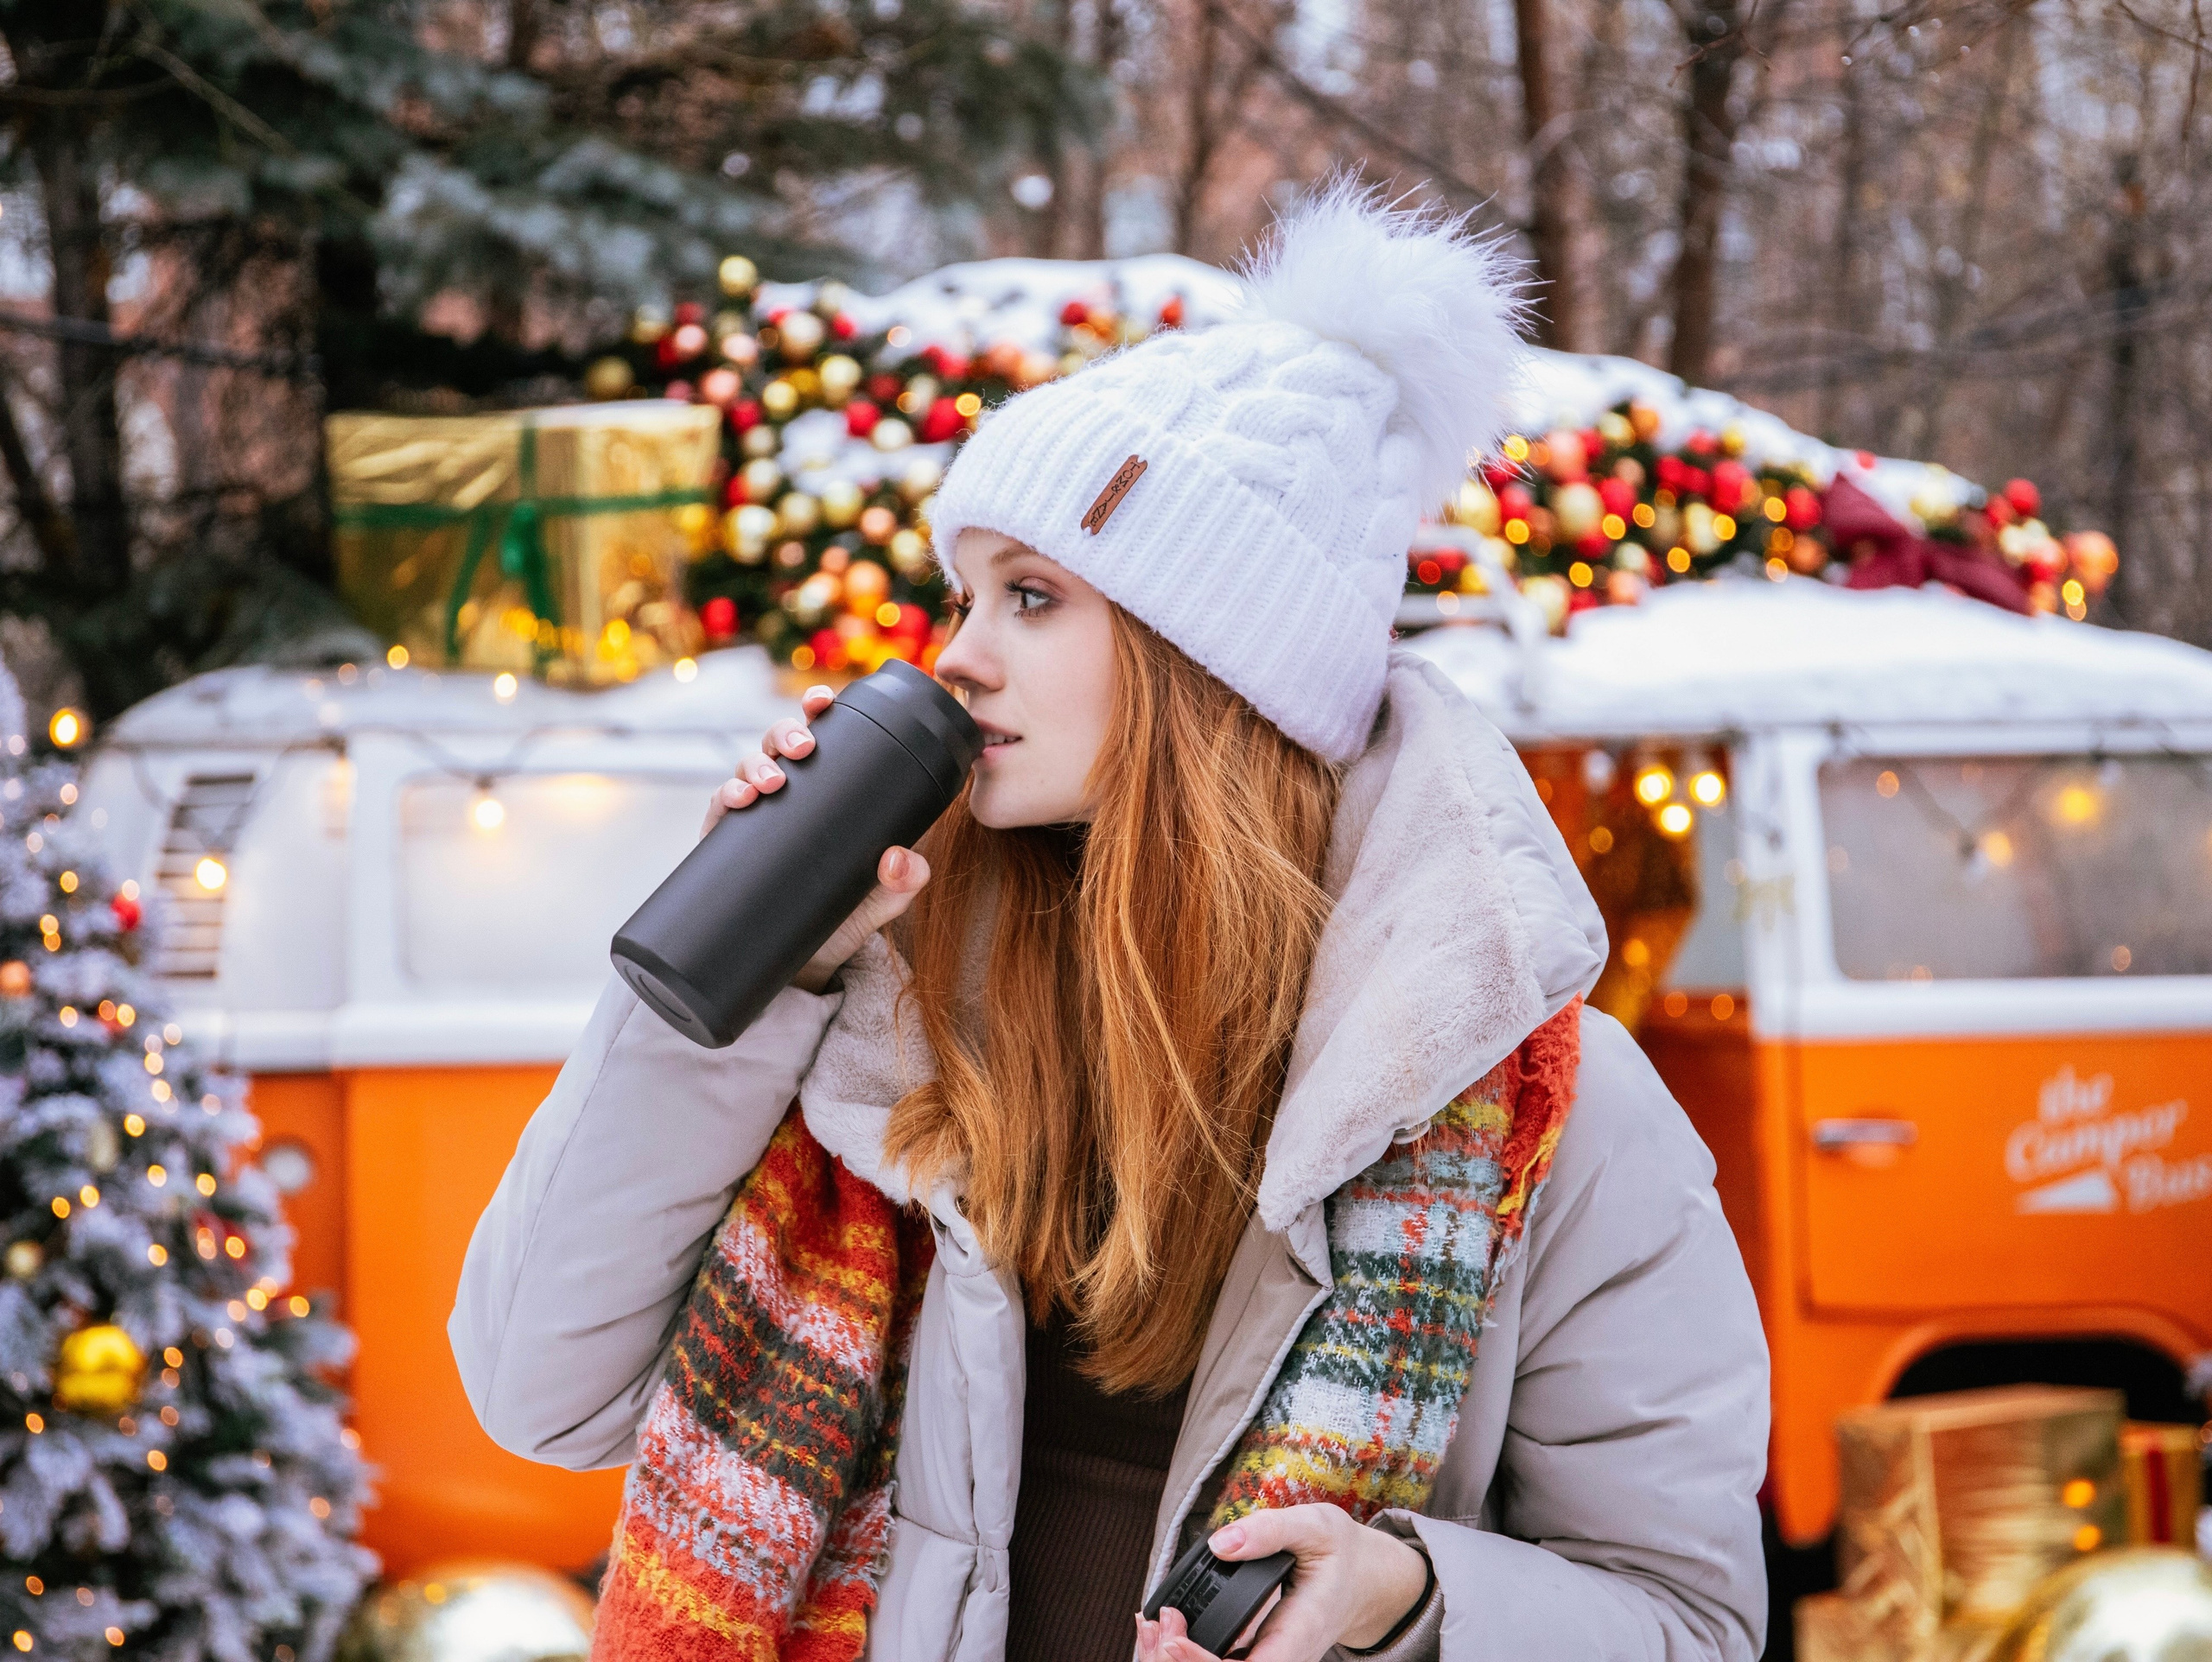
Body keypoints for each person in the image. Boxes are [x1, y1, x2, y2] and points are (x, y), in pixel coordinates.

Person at [448, 177, 1770, 1662]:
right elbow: (533, 1386)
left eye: (1029, 598)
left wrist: (1403, 1600)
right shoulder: (879, 1032)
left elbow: (1690, 1623)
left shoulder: (1554, 1125)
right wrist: (755, 970)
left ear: (1211, 661)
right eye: (963, 595)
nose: (959, 659)